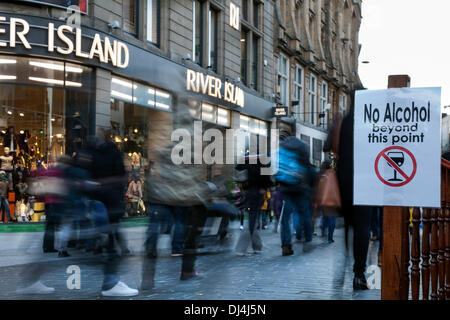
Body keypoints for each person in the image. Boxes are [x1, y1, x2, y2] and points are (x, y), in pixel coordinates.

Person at [88, 129, 137, 296]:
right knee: (111, 242)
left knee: (109, 239)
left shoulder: (93, 154)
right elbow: (122, 177)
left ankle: (111, 281)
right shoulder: (114, 153)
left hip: (98, 203)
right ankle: (110, 284)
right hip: (111, 203)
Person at [336, 89, 376, 290]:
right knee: (362, 228)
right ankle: (358, 273)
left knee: (349, 226)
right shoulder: (369, 120)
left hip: (344, 182)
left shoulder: (345, 120)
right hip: (364, 180)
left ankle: (344, 263)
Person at [275, 132, 315, 256]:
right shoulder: (303, 147)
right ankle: (307, 240)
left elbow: (276, 169)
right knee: (305, 214)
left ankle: (286, 245)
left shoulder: (283, 149)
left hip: (286, 188)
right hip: (301, 188)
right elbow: (309, 169)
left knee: (285, 218)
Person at [234, 154, 272, 255]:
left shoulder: (245, 158)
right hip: (258, 191)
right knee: (253, 218)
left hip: (248, 191)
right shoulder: (263, 158)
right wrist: (264, 187)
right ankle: (244, 247)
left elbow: (237, 169)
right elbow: (267, 176)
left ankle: (256, 246)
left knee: (252, 217)